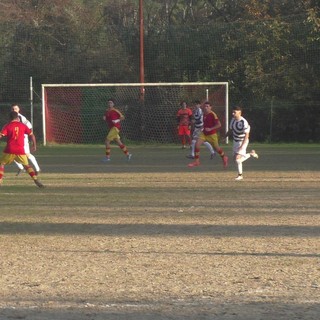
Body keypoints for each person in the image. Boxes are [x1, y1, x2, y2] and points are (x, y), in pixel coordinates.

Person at [0, 111, 44, 187]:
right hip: (20, 150)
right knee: (26, 165)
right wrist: (34, 145)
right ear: (17, 117)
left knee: (2, 164)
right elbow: (32, 135)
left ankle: (0, 181)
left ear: (10, 118)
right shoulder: (23, 126)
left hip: (9, 150)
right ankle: (35, 179)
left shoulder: (7, 126)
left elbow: (1, 135)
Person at [188, 101, 228, 168]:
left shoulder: (213, 114)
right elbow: (205, 123)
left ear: (210, 107)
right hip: (204, 134)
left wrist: (210, 129)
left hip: (212, 135)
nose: (206, 108)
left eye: (207, 106)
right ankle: (197, 161)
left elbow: (219, 125)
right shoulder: (204, 114)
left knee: (217, 148)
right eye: (205, 106)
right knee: (197, 145)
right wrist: (202, 128)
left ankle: (224, 157)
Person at [227, 106, 259, 180]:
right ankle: (251, 154)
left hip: (242, 141)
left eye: (234, 112)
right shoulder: (233, 120)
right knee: (235, 159)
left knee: (238, 159)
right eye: (232, 112)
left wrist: (242, 146)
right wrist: (224, 137)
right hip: (235, 141)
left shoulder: (244, 122)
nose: (233, 113)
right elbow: (230, 130)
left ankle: (240, 175)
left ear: (239, 113)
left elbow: (246, 136)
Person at [11, 104, 41, 176]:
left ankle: (37, 169)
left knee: (27, 154)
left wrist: (32, 140)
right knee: (12, 154)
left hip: (23, 139)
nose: (14, 110)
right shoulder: (11, 117)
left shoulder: (21, 118)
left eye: (15, 109)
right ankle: (21, 168)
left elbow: (29, 127)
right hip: (14, 139)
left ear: (19, 110)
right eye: (12, 109)